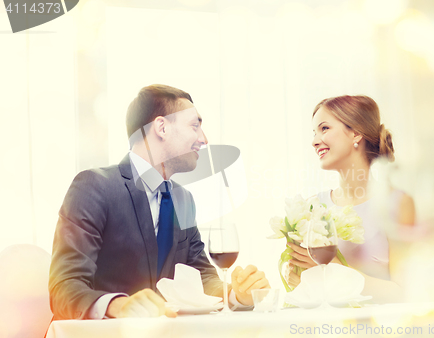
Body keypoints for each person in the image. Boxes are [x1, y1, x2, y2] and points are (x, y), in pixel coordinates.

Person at [49, 84, 270, 320]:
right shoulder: (94, 186)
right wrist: (120, 306)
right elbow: (65, 286)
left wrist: (237, 294)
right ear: (161, 127)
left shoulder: (183, 199)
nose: (203, 139)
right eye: (195, 126)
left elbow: (203, 276)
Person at [286, 95, 415, 303]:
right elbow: (308, 289)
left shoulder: (398, 203)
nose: (314, 141)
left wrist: (337, 272)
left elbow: (406, 293)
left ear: (355, 133)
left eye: (324, 128)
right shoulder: (312, 207)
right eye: (314, 133)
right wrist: (298, 278)